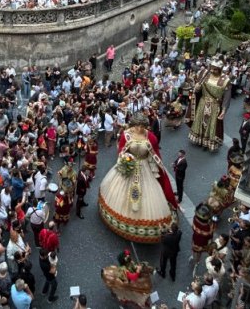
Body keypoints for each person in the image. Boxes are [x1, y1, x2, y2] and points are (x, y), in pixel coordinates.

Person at [98, 113, 178, 243]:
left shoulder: (150, 137)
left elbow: (155, 153)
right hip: (129, 167)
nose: (139, 129)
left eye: (142, 126)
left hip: (145, 167)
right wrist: (125, 160)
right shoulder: (126, 134)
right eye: (137, 126)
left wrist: (156, 167)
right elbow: (121, 151)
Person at [188, 58, 231, 152]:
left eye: (215, 69)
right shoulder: (204, 74)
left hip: (215, 106)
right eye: (211, 68)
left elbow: (227, 97)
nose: (212, 70)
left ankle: (207, 143)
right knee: (200, 122)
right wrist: (197, 88)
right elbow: (197, 90)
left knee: (211, 126)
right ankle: (199, 140)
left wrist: (223, 110)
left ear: (220, 69)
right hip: (203, 103)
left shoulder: (226, 80)